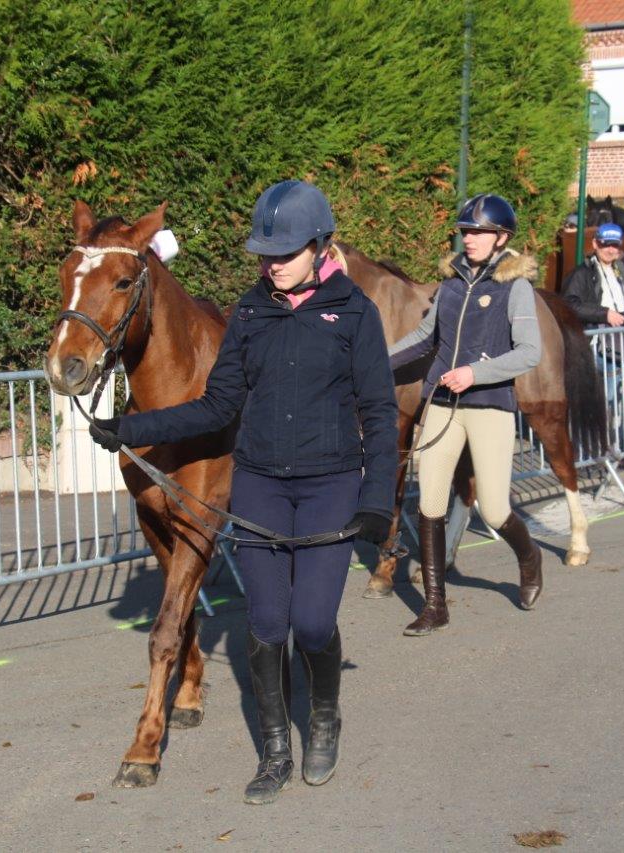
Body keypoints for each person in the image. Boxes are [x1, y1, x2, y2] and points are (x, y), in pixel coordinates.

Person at [87, 180, 398, 804]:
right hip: (259, 484)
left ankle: (325, 719)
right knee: (265, 625)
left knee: (312, 624)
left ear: (318, 246)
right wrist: (130, 428)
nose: (270, 263)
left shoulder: (355, 313)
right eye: (264, 253)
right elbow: (218, 404)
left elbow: (381, 412)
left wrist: (376, 501)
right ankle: (275, 751)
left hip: (330, 485)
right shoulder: (250, 312)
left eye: (283, 253)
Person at [388, 193, 544, 636]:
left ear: (502, 238)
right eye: (465, 231)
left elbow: (529, 353)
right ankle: (435, 606)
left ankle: (528, 558)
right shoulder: (452, 283)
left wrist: (475, 373)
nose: (469, 238)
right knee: (430, 502)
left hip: (489, 406)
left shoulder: (515, 288)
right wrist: (375, 360)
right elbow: (424, 336)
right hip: (441, 403)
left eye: (478, 232)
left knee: (494, 510)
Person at [560, 221, 624, 422]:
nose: (610, 250)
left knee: (616, 402)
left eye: (615, 245)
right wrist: (603, 314)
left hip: (620, 345)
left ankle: (611, 447)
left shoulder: (621, 271)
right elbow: (569, 304)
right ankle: (588, 449)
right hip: (595, 347)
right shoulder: (582, 273)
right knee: (596, 402)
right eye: (605, 244)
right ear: (595, 244)